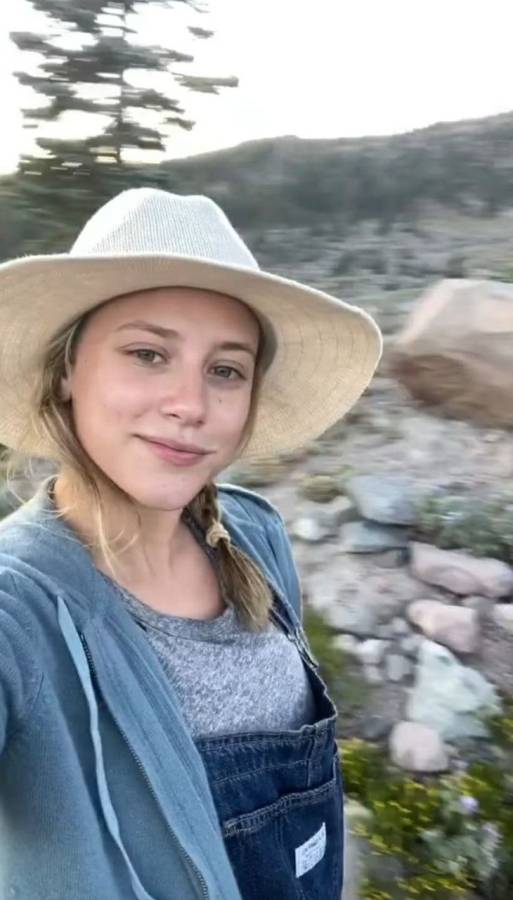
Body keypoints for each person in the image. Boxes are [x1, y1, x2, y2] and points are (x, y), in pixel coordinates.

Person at [0, 187, 381, 900]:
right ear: (67, 370)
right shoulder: (17, 608)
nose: (191, 405)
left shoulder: (254, 535)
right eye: (148, 354)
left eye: (225, 370)